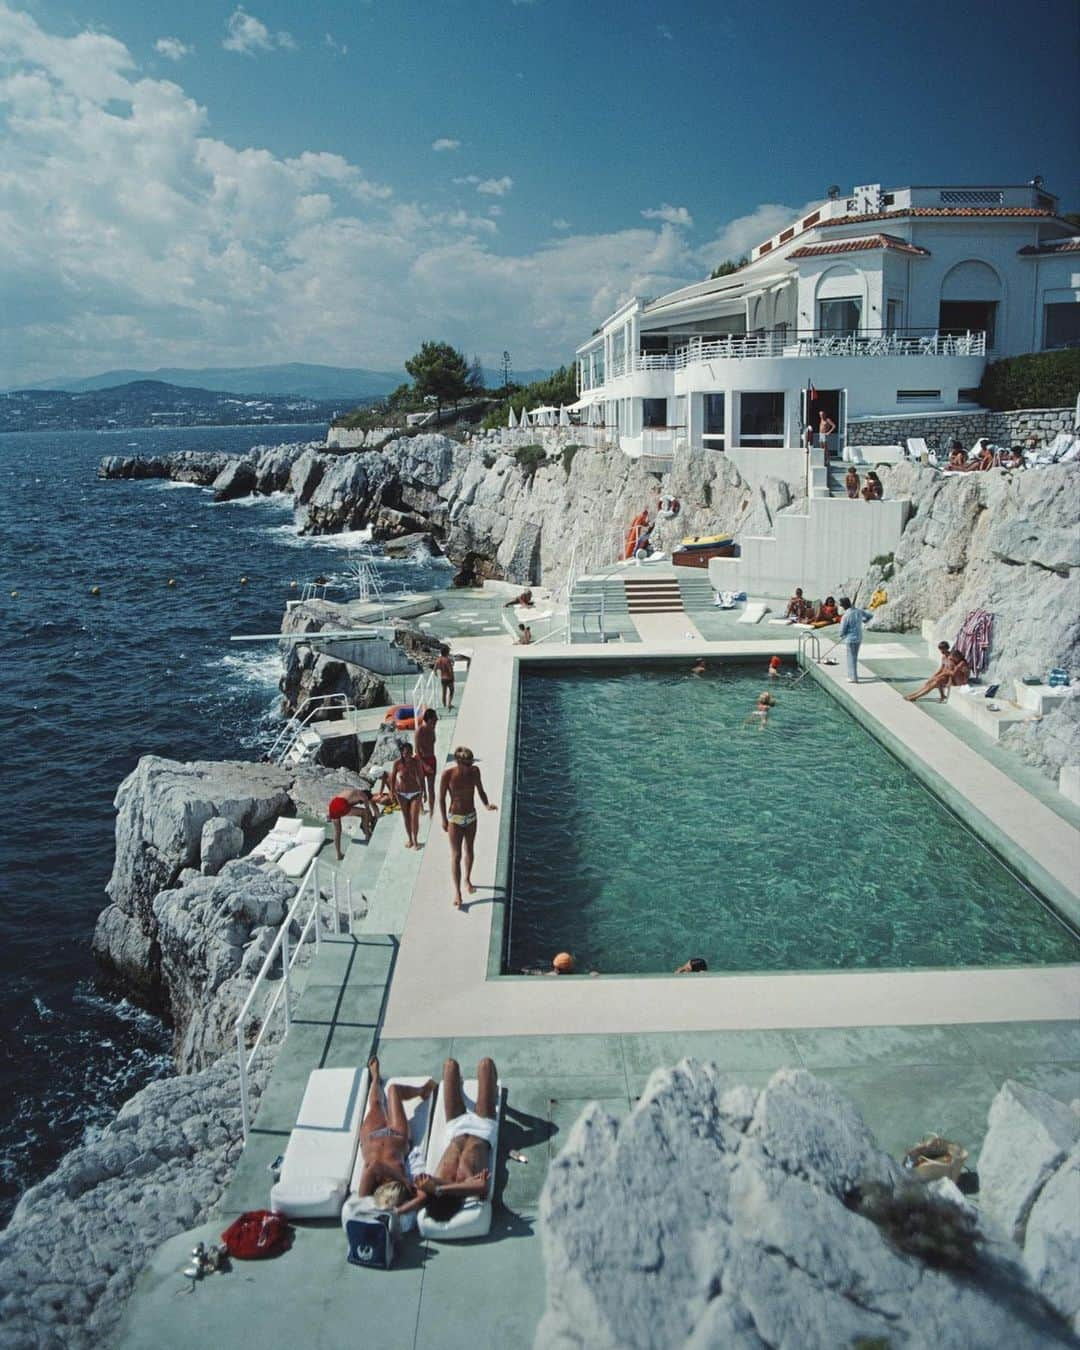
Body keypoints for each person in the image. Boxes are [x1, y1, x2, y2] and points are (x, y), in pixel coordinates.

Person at [412, 1058, 499, 1223]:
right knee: (485, 1064)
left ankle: (460, 1085)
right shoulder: (473, 1190)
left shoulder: (431, 1185)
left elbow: (421, 1183)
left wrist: (436, 1188)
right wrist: (439, 1189)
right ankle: (492, 1091)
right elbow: (481, 1187)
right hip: (483, 1128)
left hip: (456, 1128)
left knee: (449, 1065)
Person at [352, 1057, 436, 1220]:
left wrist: (402, 1179)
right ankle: (421, 1091)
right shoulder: (407, 1191)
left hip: (372, 1137)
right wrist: (398, 1210)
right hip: (397, 1135)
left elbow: (375, 1165)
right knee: (393, 1090)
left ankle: (375, 1076)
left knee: (376, 1103)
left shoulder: (366, 1194)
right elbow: (423, 1197)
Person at [440, 746, 497, 908]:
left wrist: (486, 805)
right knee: (456, 855)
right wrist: (444, 819)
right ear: (458, 762)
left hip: (471, 816)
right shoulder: (448, 775)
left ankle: (467, 879)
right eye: (467, 763)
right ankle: (457, 892)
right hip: (455, 819)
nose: (470, 765)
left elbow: (480, 790)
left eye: (471, 762)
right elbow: (441, 799)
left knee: (470, 850)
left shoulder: (475, 772)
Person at [390, 742, 425, 849]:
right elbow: (392, 778)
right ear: (401, 753)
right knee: (406, 818)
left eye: (410, 752)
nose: (408, 755)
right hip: (401, 793)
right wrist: (392, 792)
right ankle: (410, 839)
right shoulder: (397, 763)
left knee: (414, 817)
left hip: (415, 792)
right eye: (405, 753)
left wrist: (425, 792)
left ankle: (415, 840)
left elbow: (421, 777)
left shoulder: (416, 762)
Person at [328, 785, 376, 860]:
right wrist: (371, 820)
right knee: (363, 813)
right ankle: (367, 835)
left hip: (332, 806)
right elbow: (367, 810)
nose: (361, 803)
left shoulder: (350, 792)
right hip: (342, 805)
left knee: (337, 832)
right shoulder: (363, 795)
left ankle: (338, 854)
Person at [838, 596, 874, 683]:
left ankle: (853, 677)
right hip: (858, 637)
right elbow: (870, 616)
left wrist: (842, 635)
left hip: (850, 639)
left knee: (851, 658)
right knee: (854, 657)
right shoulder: (858, 611)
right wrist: (864, 620)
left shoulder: (846, 615)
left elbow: (842, 630)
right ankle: (852, 675)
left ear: (844, 606)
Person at [414, 708, 439, 815]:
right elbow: (416, 750)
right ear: (428, 720)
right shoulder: (419, 731)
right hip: (421, 760)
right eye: (434, 720)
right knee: (420, 787)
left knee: (431, 788)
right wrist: (424, 764)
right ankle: (421, 808)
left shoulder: (432, 729)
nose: (436, 722)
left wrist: (429, 764)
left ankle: (432, 809)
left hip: (431, 759)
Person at [435, 645, 456, 709]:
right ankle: (449, 704)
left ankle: (444, 705)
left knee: (444, 693)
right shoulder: (447, 660)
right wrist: (453, 677)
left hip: (443, 678)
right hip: (449, 678)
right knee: (452, 691)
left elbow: (435, 668)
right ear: (446, 652)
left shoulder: (439, 659)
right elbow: (450, 669)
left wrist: (435, 673)